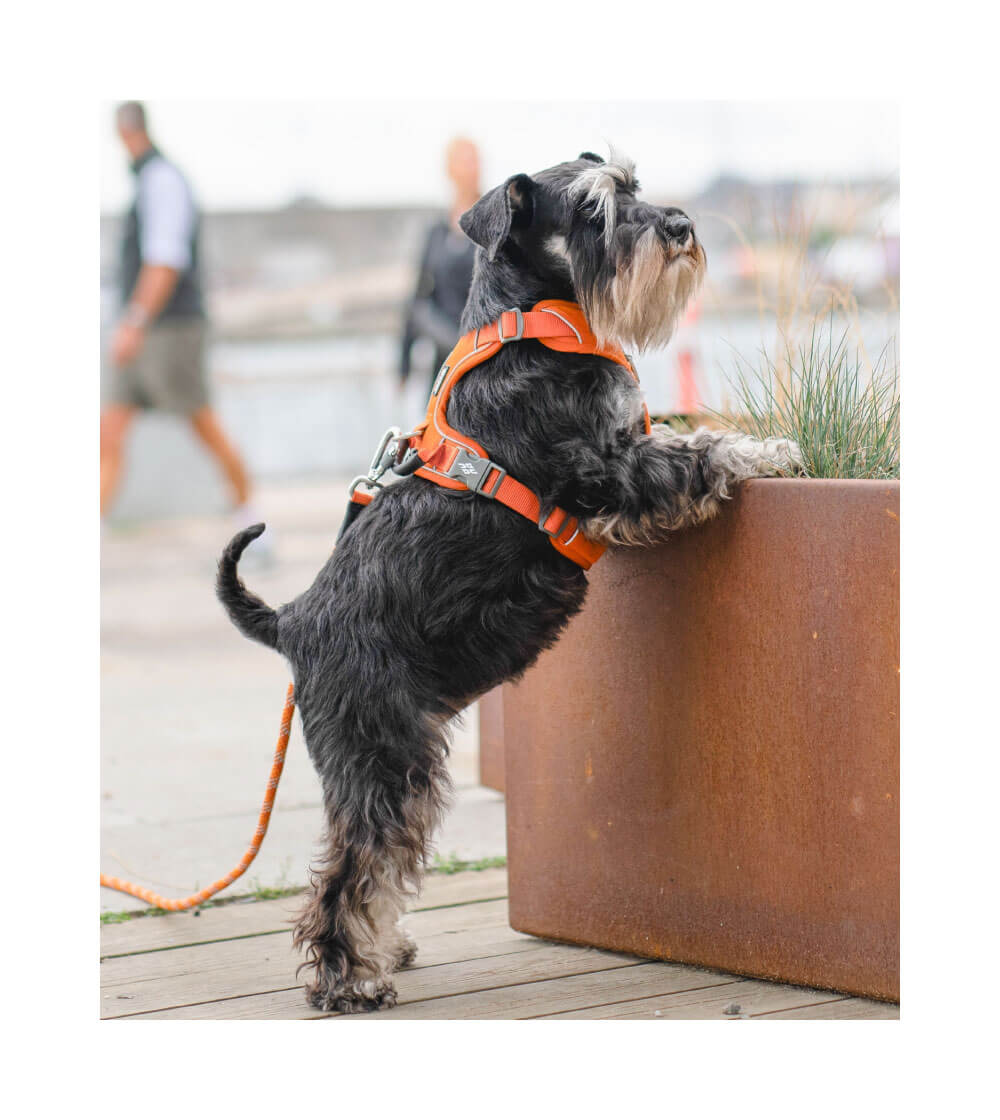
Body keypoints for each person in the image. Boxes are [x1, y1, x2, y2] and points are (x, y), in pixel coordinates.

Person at [101, 102, 263, 542]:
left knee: (204, 425)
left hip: (168, 329)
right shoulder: (147, 181)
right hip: (142, 328)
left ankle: (252, 521)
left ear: (124, 132)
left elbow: (165, 260)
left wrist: (133, 321)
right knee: (108, 431)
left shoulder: (162, 179)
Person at [398, 137, 481, 397]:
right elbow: (419, 297)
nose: (472, 168)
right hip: (444, 361)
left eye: (475, 160)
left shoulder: (492, 224)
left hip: (483, 358)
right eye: (464, 161)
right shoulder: (436, 233)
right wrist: (404, 365)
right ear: (449, 170)